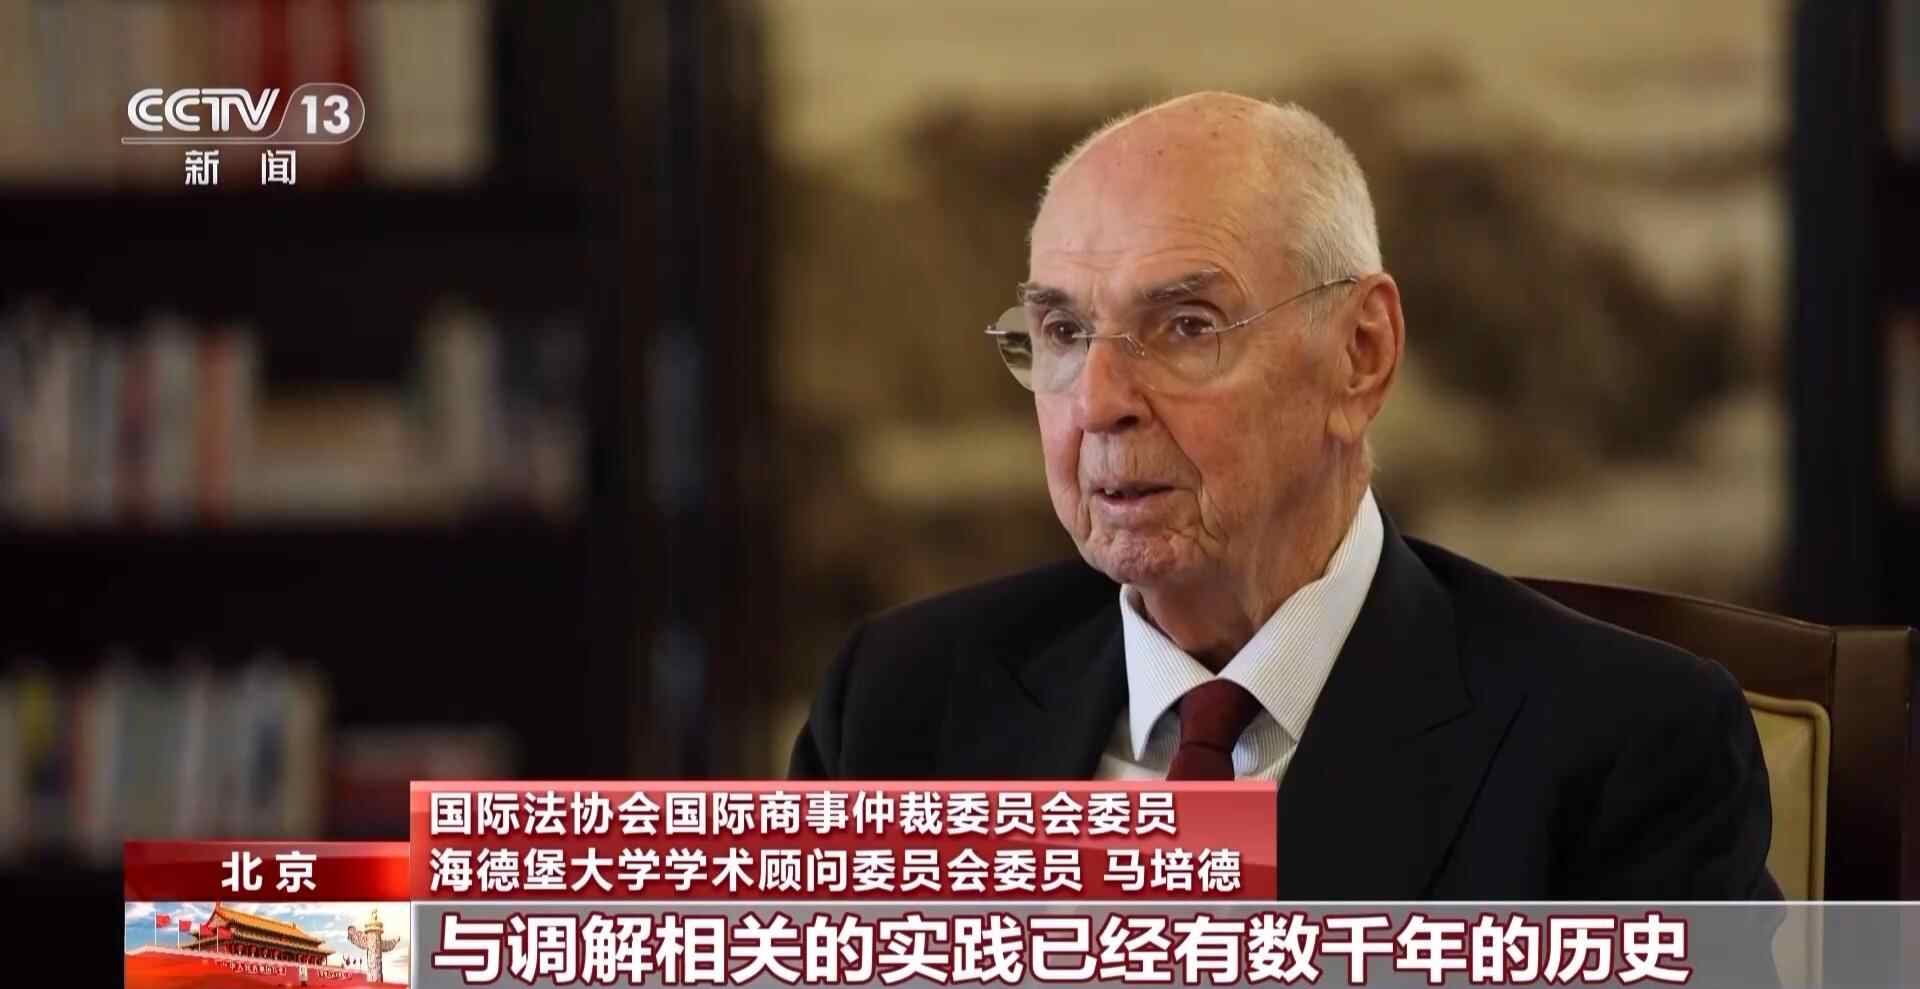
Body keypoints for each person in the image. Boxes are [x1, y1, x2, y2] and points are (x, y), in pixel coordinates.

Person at [787, 91, 1780, 901]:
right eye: (1062, 334)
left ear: (1361, 354)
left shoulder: (1625, 749)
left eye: (1186, 325)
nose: (1096, 401)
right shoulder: (900, 706)